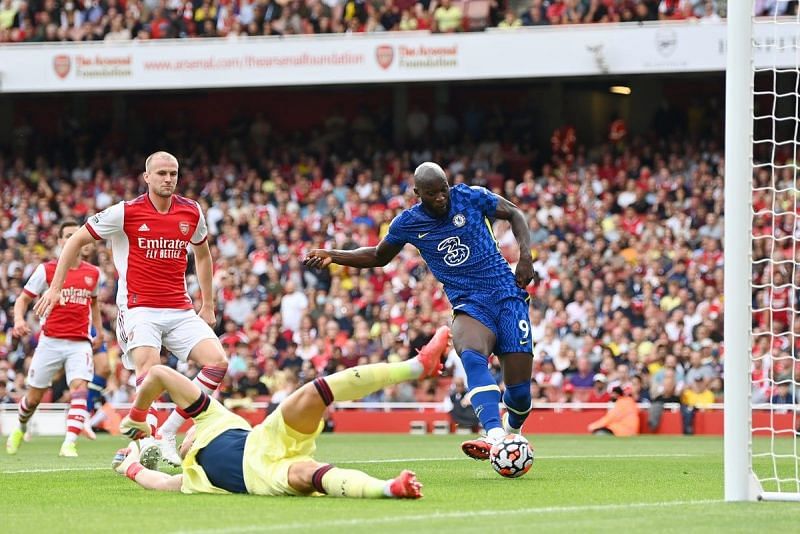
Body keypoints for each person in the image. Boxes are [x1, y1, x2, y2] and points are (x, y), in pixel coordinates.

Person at [304, 162, 535, 461]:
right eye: (432, 193)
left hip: (507, 295)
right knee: (470, 353)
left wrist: (525, 256)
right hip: (469, 302)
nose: (441, 197)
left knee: (519, 396)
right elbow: (378, 256)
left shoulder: (471, 197)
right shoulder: (408, 223)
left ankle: (511, 427)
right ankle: (494, 435)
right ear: (417, 193)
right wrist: (333, 255)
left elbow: (514, 212)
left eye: (443, 190)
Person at [33, 151, 228, 466]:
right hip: (139, 308)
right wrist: (55, 288)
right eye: (161, 173)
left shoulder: (191, 211)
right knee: (150, 369)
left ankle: (167, 432)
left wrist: (208, 304)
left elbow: (203, 255)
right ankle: (146, 441)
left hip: (179, 307)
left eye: (173, 174)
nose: (168, 179)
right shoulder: (125, 212)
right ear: (147, 177)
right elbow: (74, 241)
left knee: (217, 363)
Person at [112, 325, 451, 498]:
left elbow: (159, 375)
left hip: (266, 439)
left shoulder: (213, 417)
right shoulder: (191, 478)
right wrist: (131, 467)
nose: (184, 441)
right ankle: (390, 488)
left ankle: (415, 366)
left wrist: (138, 416)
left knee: (311, 393)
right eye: (182, 442)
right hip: (262, 477)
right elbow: (159, 482)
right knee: (307, 474)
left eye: (184, 434)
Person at [7, 219, 103, 457]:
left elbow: (94, 303)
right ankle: (20, 427)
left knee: (80, 388)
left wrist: (99, 331)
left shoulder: (93, 273)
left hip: (80, 342)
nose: (72, 239)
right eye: (67, 235)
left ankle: (69, 443)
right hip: (50, 341)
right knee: (33, 397)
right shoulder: (47, 270)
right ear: (60, 241)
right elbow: (23, 299)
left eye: (75, 235)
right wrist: (19, 320)